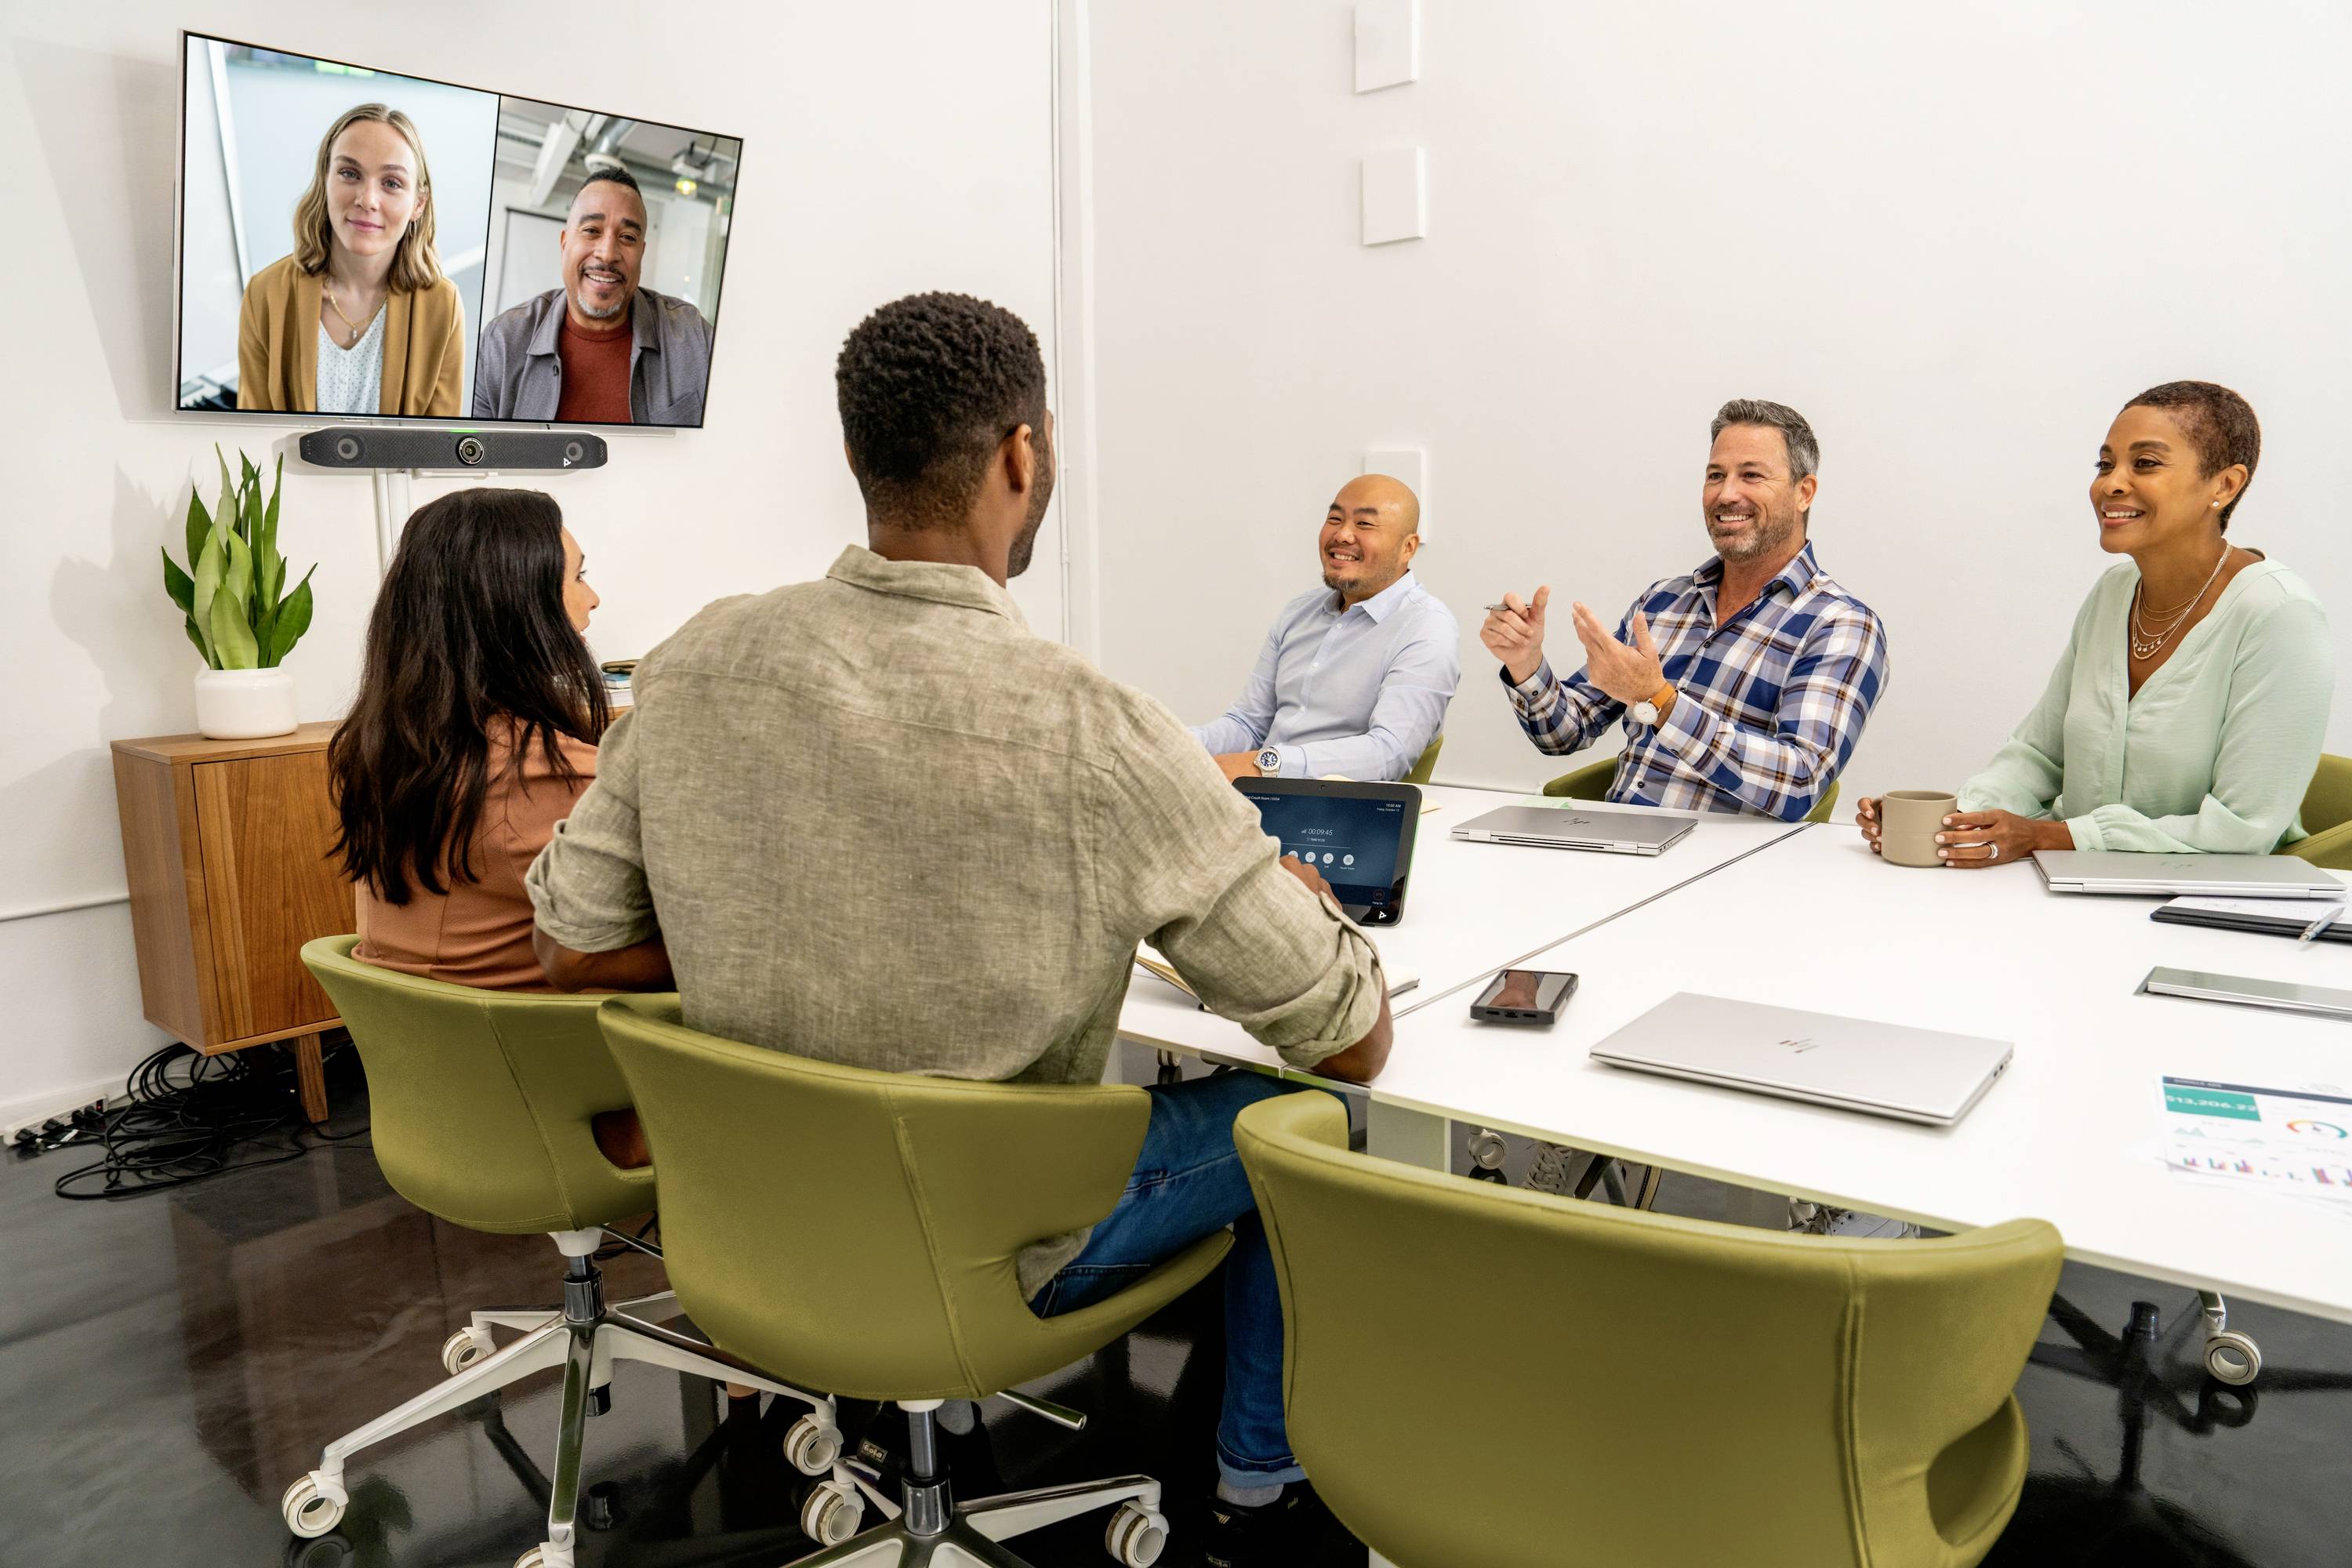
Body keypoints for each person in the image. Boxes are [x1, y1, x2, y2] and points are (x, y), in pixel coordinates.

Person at [526, 291, 1392, 1565]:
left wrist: (777, 921)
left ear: (857, 456)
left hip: (751, 1219)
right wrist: (1296, 898)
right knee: (1304, 1127)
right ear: (1022, 458)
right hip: (989, 1248)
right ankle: (1255, 1492)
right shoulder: (1102, 729)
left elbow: (570, 942)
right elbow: (1347, 1036)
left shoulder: (694, 663)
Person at [1857, 381, 2332, 866]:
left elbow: (2242, 826)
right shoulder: (2113, 594)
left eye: (2144, 463)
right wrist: (1960, 818)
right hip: (2076, 889)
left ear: (2224, 485)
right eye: (2105, 464)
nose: (2111, 483)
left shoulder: (2279, 614)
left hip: (2209, 912)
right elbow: (2038, 756)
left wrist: (2052, 836)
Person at [328, 488, 659, 1164]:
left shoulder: (400, 747)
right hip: (563, 1115)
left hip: (456, 1102)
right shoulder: (536, 776)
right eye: (578, 576)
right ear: (519, 601)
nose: (592, 601)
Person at [1480, 398, 1888, 822]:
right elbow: (1564, 734)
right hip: (1614, 849)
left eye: (1751, 475)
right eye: (1716, 476)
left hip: (1724, 874)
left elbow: (1798, 784)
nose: (1727, 494)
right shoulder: (1663, 603)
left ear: (1804, 492)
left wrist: (1659, 700)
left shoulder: (1842, 626)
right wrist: (1526, 664)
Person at [1191, 474, 1461, 783]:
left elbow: (1390, 753)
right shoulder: (1300, 612)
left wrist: (1267, 763)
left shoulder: (1427, 627)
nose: (1343, 534)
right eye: (1334, 519)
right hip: (1260, 797)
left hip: (1336, 815)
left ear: (1407, 547)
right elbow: (1249, 724)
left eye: (1364, 524)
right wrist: (1173, 746)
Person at [237, 103, 465, 417]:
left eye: (392, 183)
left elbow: (434, 452)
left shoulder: (444, 305)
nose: (367, 200)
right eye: (349, 173)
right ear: (325, 181)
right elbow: (248, 440)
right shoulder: (265, 293)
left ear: (419, 204)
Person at [471, 168, 716, 426]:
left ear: (641, 252)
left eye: (627, 237)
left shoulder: (694, 338)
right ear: (564, 243)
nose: (608, 253)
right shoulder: (501, 343)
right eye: (591, 230)